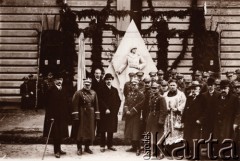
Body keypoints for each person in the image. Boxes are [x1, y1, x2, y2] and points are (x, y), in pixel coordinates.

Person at [43, 73, 69, 158]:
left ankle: (59, 148)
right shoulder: (50, 90)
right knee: (55, 134)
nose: (59, 81)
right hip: (54, 116)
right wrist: (50, 116)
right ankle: (56, 150)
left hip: (62, 116)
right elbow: (47, 105)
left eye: (61, 79)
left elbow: (66, 103)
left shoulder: (64, 89)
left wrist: (67, 114)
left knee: (61, 133)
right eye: (57, 79)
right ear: (54, 81)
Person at [71, 78, 100, 155]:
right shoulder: (78, 93)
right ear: (83, 84)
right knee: (80, 132)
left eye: (89, 85)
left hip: (91, 115)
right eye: (86, 85)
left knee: (90, 131)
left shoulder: (94, 93)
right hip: (82, 114)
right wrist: (76, 116)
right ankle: (79, 148)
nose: (87, 86)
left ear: (91, 85)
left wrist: (97, 115)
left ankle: (87, 147)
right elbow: (75, 105)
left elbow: (96, 104)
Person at [212, 80, 239, 157]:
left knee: (227, 140)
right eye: (221, 88)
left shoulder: (234, 98)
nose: (223, 90)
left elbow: (238, 112)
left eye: (225, 88)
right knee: (218, 140)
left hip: (228, 124)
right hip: (217, 124)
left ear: (228, 88)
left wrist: (236, 123)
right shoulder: (217, 98)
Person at [98, 73, 121, 152]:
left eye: (110, 80)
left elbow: (118, 101)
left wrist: (116, 111)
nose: (109, 81)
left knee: (110, 129)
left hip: (112, 113)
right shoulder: (101, 89)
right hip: (104, 113)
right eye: (107, 80)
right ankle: (102, 145)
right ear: (105, 80)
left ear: (112, 80)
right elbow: (100, 100)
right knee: (103, 129)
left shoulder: (115, 90)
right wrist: (105, 109)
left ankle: (110, 145)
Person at [163, 79, 186, 157]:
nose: (172, 87)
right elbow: (163, 104)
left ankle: (178, 152)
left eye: (174, 85)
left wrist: (178, 109)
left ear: (177, 86)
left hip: (177, 116)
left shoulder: (181, 94)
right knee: (168, 133)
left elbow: (184, 103)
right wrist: (167, 108)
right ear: (168, 85)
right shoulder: (165, 94)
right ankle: (168, 151)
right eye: (171, 85)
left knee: (177, 133)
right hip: (168, 116)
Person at [146, 82, 167, 158]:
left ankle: (161, 152)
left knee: (159, 135)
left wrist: (161, 120)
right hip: (151, 118)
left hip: (158, 118)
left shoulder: (161, 98)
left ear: (159, 89)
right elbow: (150, 109)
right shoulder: (151, 97)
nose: (154, 90)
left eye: (155, 88)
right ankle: (154, 151)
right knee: (152, 134)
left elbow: (164, 110)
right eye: (152, 88)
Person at [124, 79, 145, 156]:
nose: (133, 86)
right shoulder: (129, 94)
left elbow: (140, 105)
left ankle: (138, 148)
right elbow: (125, 103)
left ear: (138, 85)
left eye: (135, 84)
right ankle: (133, 147)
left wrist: (131, 111)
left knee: (136, 132)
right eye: (132, 85)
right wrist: (126, 111)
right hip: (129, 116)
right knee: (130, 132)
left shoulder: (141, 95)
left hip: (136, 116)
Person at [182, 81, 202, 156]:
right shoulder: (189, 98)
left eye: (195, 88)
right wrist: (183, 120)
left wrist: (200, 119)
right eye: (192, 89)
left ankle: (196, 155)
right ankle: (189, 154)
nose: (193, 90)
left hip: (197, 122)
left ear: (199, 89)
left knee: (195, 138)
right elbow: (185, 109)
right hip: (188, 122)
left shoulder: (202, 98)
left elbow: (205, 111)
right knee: (188, 137)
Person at [91, 68, 105, 138]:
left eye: (99, 73)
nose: (98, 75)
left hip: (101, 104)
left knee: (100, 119)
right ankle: (92, 134)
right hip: (93, 103)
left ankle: (99, 134)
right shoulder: (91, 82)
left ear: (101, 74)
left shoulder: (103, 82)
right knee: (93, 119)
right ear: (94, 74)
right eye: (96, 73)